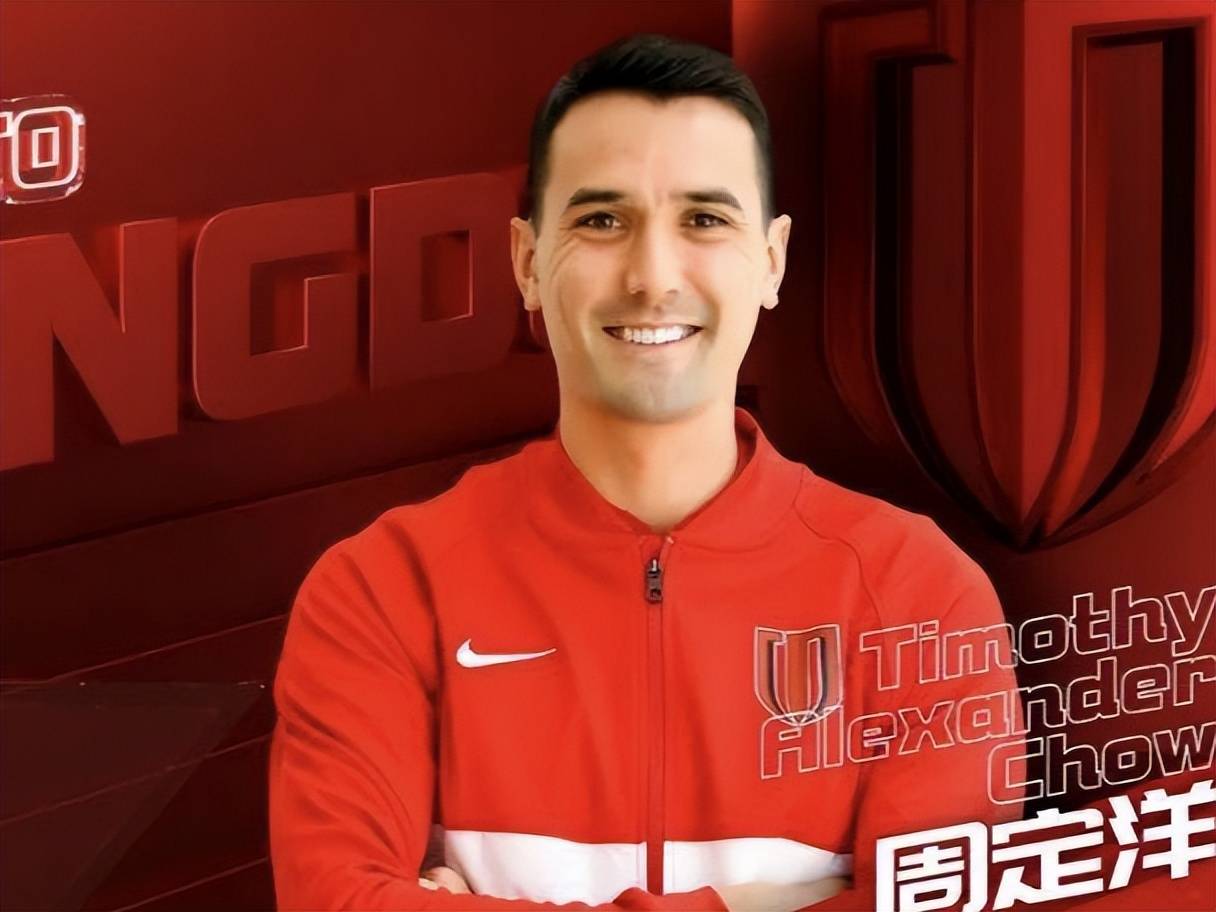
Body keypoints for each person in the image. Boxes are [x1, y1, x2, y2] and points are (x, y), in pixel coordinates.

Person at [269, 33, 1023, 912]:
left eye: (705, 220)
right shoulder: (382, 591)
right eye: (601, 220)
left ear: (772, 261)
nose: (653, 276)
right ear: (526, 262)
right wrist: (765, 903)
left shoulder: (919, 596)